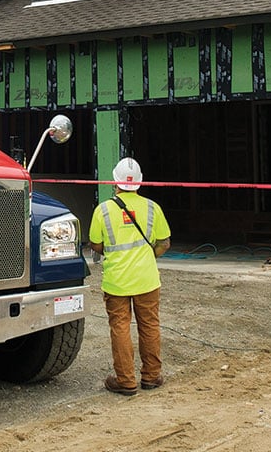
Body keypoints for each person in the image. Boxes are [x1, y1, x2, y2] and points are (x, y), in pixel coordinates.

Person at [89, 156, 171, 396]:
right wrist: (146, 257)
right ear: (140, 182)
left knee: (120, 327)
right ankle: (152, 376)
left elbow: (95, 245)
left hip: (117, 282)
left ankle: (125, 381)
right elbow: (164, 243)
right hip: (147, 279)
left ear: (114, 181)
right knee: (149, 325)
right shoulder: (152, 208)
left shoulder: (102, 210)